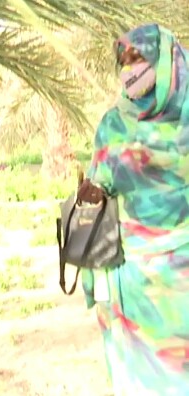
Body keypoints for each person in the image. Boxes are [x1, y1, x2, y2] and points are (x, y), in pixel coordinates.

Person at [77, 24, 189, 394]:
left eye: (138, 58)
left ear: (165, 63)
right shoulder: (113, 126)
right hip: (132, 286)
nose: (129, 68)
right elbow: (94, 205)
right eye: (123, 61)